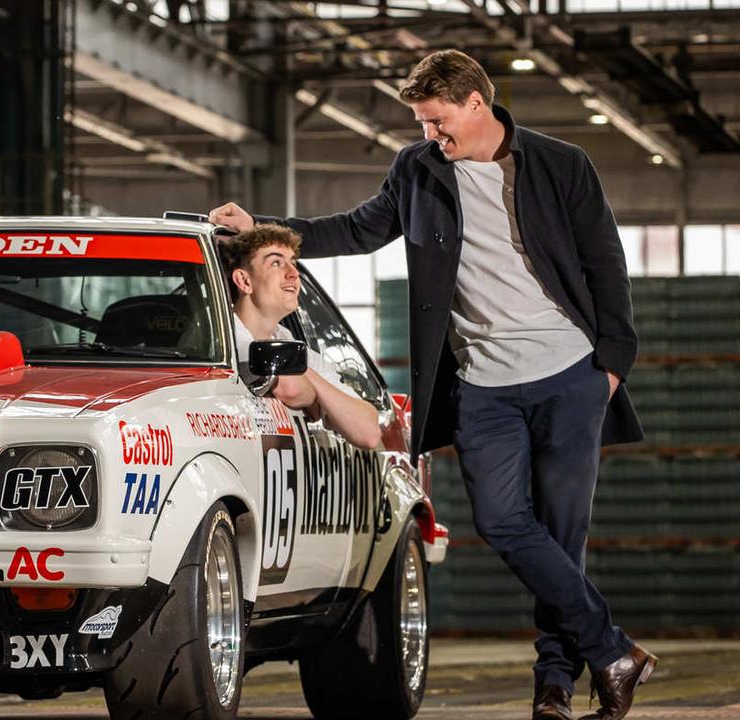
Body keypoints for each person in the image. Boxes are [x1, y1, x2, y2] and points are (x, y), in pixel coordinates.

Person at [209, 49, 652, 720]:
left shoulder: (562, 165)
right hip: (481, 383)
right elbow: (359, 229)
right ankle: (613, 650)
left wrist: (611, 365)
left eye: (438, 122)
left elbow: (605, 267)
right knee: (504, 523)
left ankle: (555, 686)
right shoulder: (419, 170)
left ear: (476, 104)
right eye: (421, 123)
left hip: (569, 374)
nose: (430, 137)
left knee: (563, 536)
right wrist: (267, 230)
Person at [219, 224, 382, 449]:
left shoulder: (290, 344)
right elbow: (292, 389)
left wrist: (306, 371)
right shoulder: (225, 342)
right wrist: (313, 392)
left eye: (293, 262)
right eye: (276, 262)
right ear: (244, 281)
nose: (293, 273)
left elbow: (368, 432)